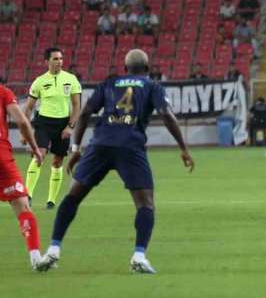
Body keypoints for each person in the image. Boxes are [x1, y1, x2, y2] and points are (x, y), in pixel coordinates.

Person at [34, 50, 195, 274]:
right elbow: (166, 114)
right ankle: (139, 255)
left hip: (100, 145)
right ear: (148, 69)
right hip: (130, 146)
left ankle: (53, 250)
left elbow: (85, 113)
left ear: (125, 67)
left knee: (72, 196)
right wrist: (184, 149)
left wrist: (75, 149)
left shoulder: (108, 84)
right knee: (146, 204)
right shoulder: (152, 86)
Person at [22, 48, 82, 210]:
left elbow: (77, 106)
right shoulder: (39, 81)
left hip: (63, 124)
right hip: (43, 123)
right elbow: (28, 108)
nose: (60, 61)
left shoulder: (71, 79)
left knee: (57, 162)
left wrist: (70, 126)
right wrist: (24, 131)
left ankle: (51, 200)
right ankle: (28, 195)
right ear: (47, 62)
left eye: (61, 58)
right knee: (39, 155)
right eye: (55, 59)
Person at [0, 82, 45, 269]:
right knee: (22, 205)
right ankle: (36, 258)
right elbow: (22, 121)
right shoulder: (3, 92)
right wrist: (35, 148)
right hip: (1, 157)